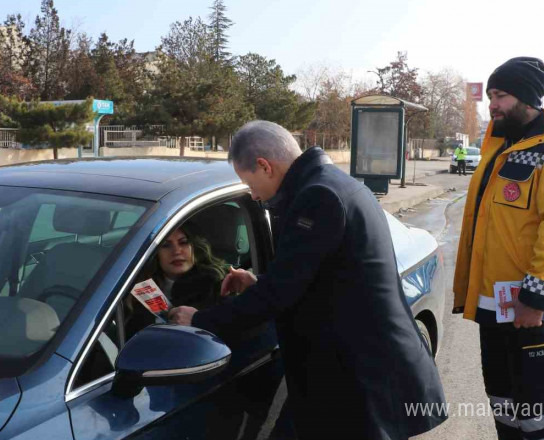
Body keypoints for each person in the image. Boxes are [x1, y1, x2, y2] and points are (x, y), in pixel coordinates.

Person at [169, 120, 447, 440]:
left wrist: (199, 319)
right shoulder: (328, 183)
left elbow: (281, 294)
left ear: (264, 166)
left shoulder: (317, 197)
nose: (253, 195)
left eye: (249, 182)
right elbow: (319, 275)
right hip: (344, 377)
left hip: (361, 384)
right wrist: (259, 282)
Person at [452, 57, 544, 440]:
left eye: (501, 96)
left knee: (536, 409)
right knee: (502, 398)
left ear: (527, 97)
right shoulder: (498, 146)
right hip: (493, 302)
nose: (492, 104)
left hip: (531, 306)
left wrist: (535, 297)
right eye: (491, 96)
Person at [126, 225, 229, 333]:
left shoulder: (216, 285)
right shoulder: (138, 286)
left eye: (183, 242)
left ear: (193, 247)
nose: (176, 251)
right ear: (155, 253)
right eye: (166, 245)